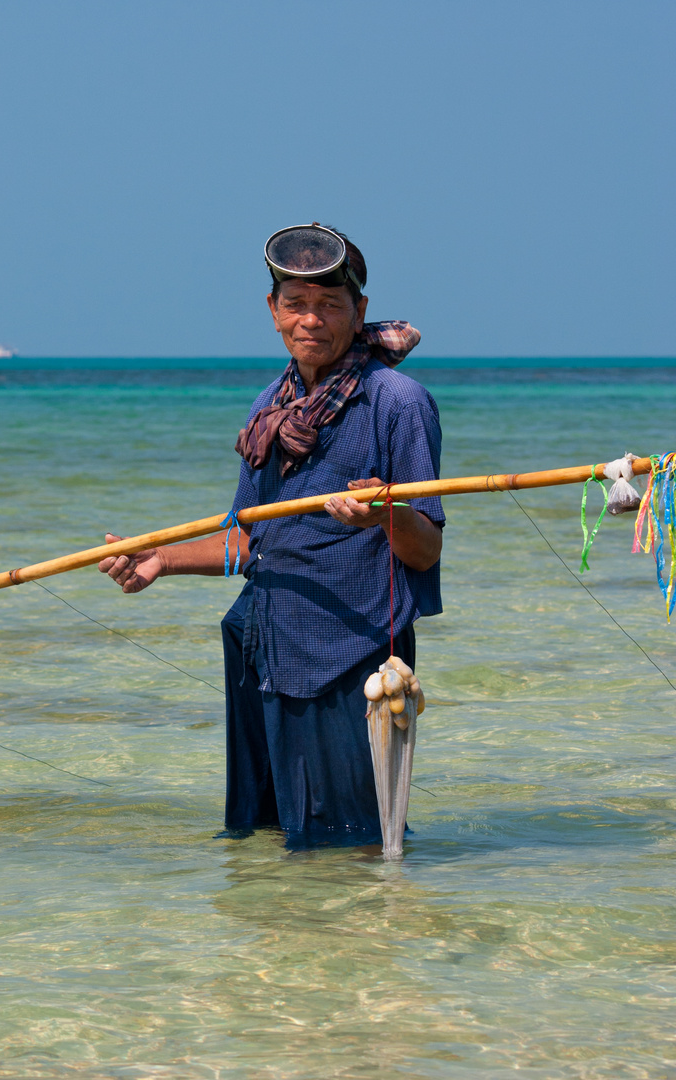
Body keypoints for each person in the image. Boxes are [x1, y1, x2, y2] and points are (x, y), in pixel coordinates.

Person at [99, 223, 445, 845]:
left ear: (359, 309)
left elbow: (425, 549)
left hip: (351, 656)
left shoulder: (398, 402)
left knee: (352, 846)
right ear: (272, 310)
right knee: (262, 840)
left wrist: (386, 514)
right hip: (261, 645)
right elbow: (250, 540)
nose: (310, 320)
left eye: (330, 305)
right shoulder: (271, 408)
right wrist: (160, 562)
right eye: (296, 305)